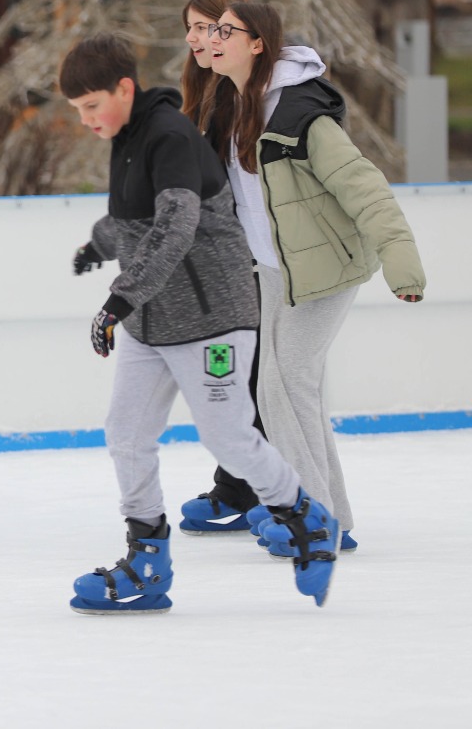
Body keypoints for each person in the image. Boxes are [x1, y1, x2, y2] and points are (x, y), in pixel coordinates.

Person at [61, 31, 340, 612]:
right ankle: (147, 562)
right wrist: (99, 245)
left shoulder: (168, 135)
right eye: (78, 111)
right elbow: (134, 218)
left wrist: (118, 300)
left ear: (123, 88)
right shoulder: (128, 135)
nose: (87, 120)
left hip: (212, 317)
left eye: (92, 106)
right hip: (153, 323)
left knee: (228, 435)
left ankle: (307, 518)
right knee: (126, 434)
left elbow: (178, 223)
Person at [205, 1, 424, 556]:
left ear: (258, 43)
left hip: (324, 269)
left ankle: (313, 517)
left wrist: (401, 264)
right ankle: (333, 516)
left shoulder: (302, 112)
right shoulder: (232, 105)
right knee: (279, 384)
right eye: (207, 30)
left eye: (224, 30)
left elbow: (364, 187)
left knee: (286, 382)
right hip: (277, 269)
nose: (211, 38)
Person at [175, 0, 267, 534]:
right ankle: (236, 484)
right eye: (189, 27)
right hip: (220, 257)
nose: (195, 38)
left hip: (251, 259)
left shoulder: (245, 93)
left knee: (249, 377)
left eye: (206, 27)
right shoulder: (207, 88)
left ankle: (256, 488)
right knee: (230, 375)